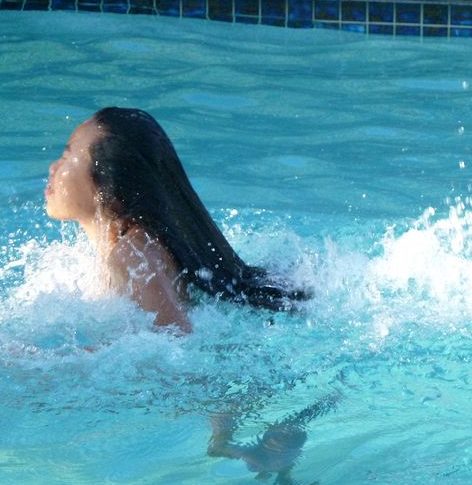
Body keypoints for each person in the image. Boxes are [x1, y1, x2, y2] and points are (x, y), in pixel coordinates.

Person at [45, 107, 307, 332]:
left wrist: (47, 365)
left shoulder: (132, 253)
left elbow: (174, 338)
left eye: (67, 155)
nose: (53, 167)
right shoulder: (135, 245)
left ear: (108, 182)